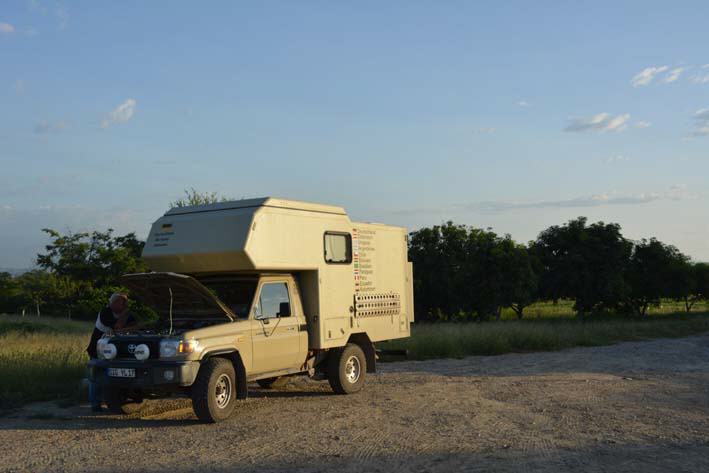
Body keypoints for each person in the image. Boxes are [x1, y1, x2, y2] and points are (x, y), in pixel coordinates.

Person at [86, 292, 136, 412]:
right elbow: (118, 327)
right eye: (122, 302)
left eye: (125, 302)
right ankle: (95, 404)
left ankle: (112, 401)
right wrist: (125, 315)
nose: (124, 305)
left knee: (111, 377)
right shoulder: (105, 312)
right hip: (98, 350)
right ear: (113, 303)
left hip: (116, 353)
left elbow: (135, 325)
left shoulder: (125, 314)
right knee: (96, 377)